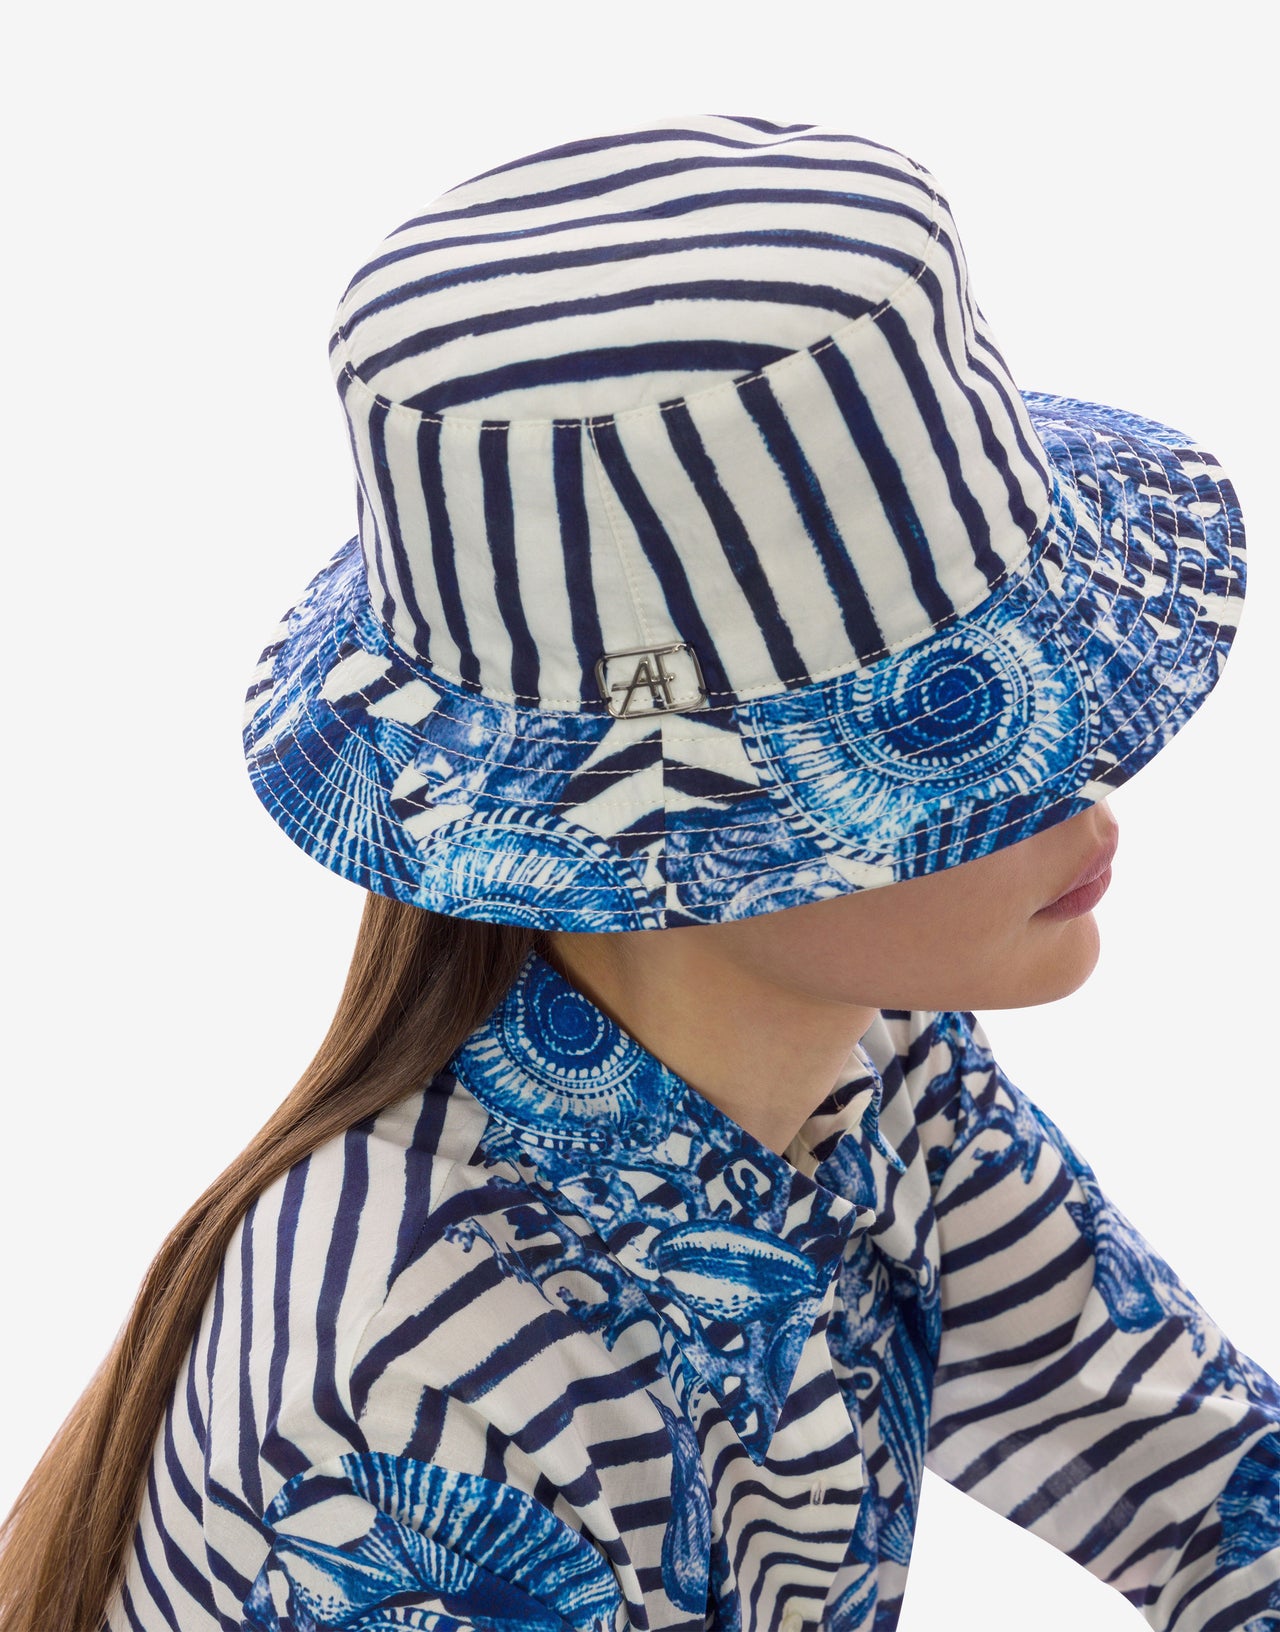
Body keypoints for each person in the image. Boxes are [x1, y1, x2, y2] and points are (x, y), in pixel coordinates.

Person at [1, 114, 1275, 1632]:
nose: (1096, 768)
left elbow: (1215, 1490)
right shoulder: (417, 1380)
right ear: (689, 825)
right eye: (960, 727)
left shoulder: (872, 1070)